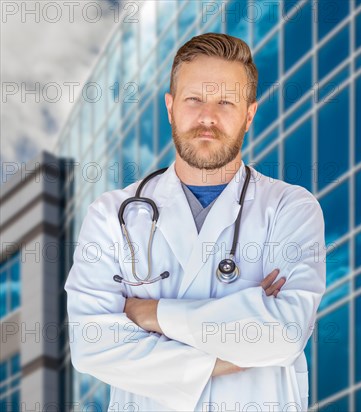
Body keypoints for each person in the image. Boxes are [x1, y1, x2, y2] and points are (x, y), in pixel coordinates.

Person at [65, 33, 326, 412]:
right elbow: (91, 344)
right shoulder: (111, 215)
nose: (208, 117)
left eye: (225, 102)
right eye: (194, 100)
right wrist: (228, 351)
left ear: (249, 114)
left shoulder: (290, 208)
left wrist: (149, 314)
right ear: (170, 107)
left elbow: (284, 335)